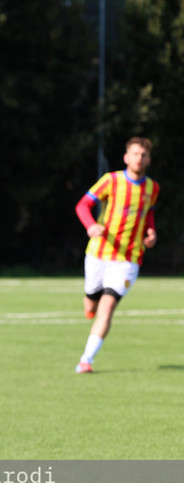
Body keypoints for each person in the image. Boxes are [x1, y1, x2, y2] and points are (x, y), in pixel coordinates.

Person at [73, 137, 159, 374]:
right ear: (126, 157)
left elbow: (149, 215)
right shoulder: (111, 180)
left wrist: (151, 232)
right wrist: (91, 225)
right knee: (91, 303)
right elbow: (82, 205)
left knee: (107, 306)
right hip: (99, 253)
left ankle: (86, 360)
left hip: (128, 259)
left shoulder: (152, 188)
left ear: (149, 159)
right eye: (135, 154)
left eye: (143, 155)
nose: (139, 158)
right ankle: (90, 304)